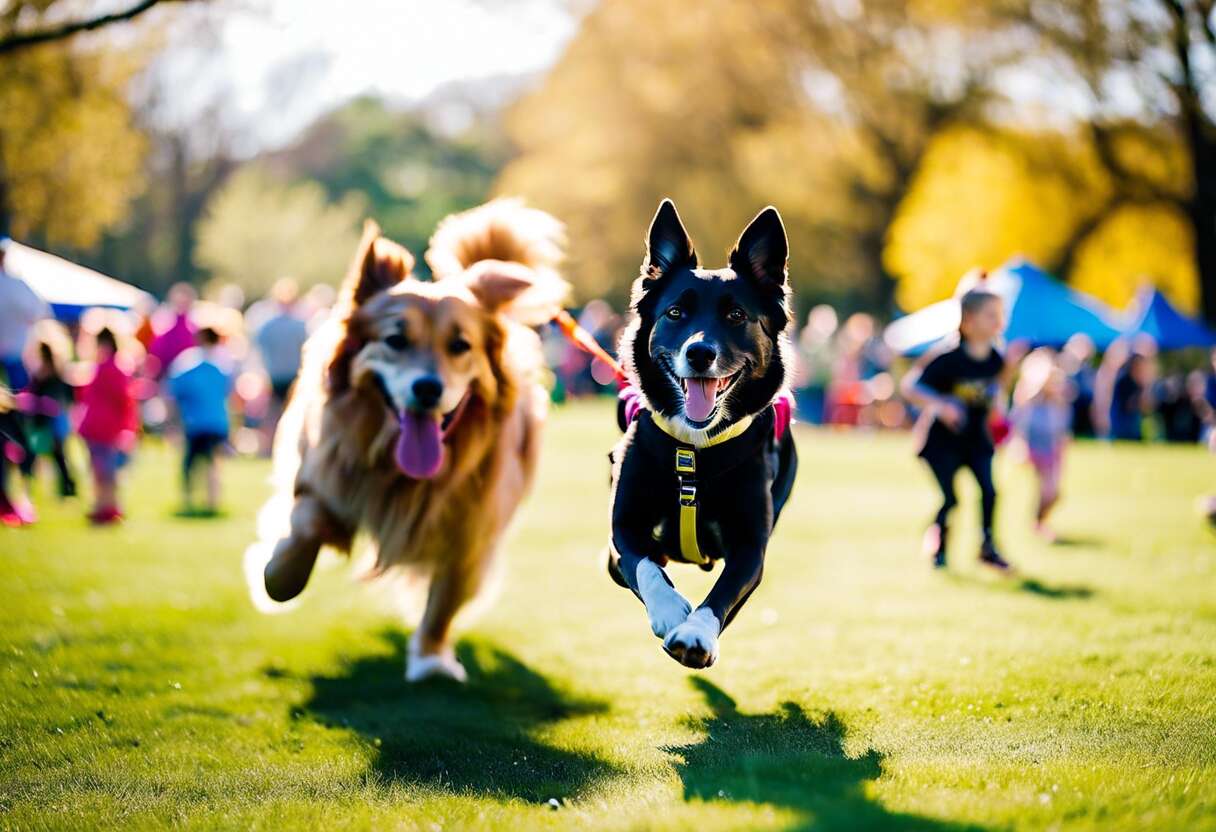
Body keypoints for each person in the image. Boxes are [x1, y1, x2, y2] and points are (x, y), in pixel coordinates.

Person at [900, 288, 1018, 571]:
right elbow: (910, 386)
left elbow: (994, 396)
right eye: (991, 315)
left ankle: (987, 547)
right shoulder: (947, 357)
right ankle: (939, 546)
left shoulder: (996, 360)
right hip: (942, 442)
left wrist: (1000, 416)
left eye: (1000, 315)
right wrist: (941, 404)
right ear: (967, 322)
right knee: (952, 499)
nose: (998, 321)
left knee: (990, 492)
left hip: (976, 438)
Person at [168, 327, 233, 515]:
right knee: (213, 464)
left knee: (190, 465)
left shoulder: (187, 363)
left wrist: (173, 421)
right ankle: (212, 502)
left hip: (195, 422)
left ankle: (189, 501)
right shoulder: (224, 364)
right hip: (217, 422)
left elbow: (175, 392)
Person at [77, 328, 138, 525]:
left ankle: (106, 505)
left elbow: (121, 400)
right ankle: (105, 505)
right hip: (104, 426)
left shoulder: (105, 368)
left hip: (102, 426)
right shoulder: (115, 367)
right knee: (104, 470)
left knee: (103, 469)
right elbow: (125, 400)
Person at [1011, 349, 1072, 540]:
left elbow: (1062, 425)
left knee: (1054, 493)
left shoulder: (1060, 400)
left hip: (1052, 448)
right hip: (1034, 447)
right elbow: (1017, 422)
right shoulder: (1028, 398)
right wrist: (1018, 444)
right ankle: (1038, 523)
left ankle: (1039, 522)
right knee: (1048, 490)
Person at [20, 341, 77, 498]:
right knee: (56, 456)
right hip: (50, 422)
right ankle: (66, 488)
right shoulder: (56, 374)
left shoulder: (45, 376)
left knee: (47, 456)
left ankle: (65, 488)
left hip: (49, 422)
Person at [253, 278, 308, 431]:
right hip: (291, 375)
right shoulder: (300, 325)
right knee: (291, 413)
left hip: (277, 375)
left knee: (276, 415)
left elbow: (260, 350)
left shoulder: (267, 326)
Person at [0, 239, 49, 392]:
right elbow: (42, 314)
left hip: (16, 359)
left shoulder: (16, 285)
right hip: (16, 358)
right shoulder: (17, 286)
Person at [1110, 349, 1157, 441]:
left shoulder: (1139, 383)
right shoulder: (1123, 381)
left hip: (1134, 427)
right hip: (1121, 426)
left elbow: (1148, 407)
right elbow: (1129, 405)